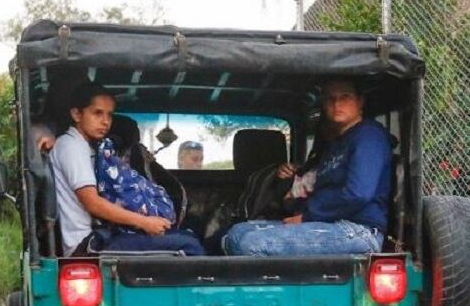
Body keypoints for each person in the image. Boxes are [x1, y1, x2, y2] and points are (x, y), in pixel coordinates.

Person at [223, 79, 391, 257]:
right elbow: (318, 191)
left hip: (358, 230)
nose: (337, 104)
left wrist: (307, 216)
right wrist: (291, 196)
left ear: (360, 101)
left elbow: (358, 194)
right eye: (330, 99)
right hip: (327, 223)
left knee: (252, 243)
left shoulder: (369, 136)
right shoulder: (335, 145)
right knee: (237, 233)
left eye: (345, 97)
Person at [50, 81, 204, 256]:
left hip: (102, 235)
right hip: (88, 243)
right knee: (190, 246)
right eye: (97, 113)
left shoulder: (89, 147)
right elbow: (92, 203)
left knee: (186, 236)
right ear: (77, 114)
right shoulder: (72, 146)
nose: (105, 122)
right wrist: (144, 222)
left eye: (109, 115)